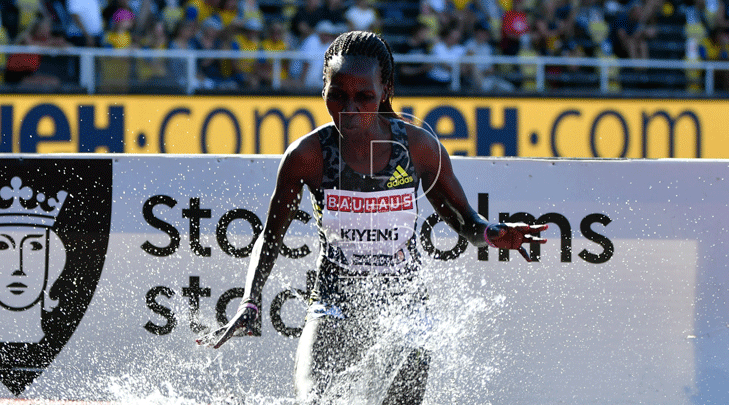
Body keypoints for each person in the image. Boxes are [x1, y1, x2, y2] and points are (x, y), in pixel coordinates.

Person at [197, 30, 547, 404]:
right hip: (333, 302)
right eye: (337, 96)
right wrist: (251, 300)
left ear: (385, 91)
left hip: (404, 307)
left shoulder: (418, 148)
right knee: (313, 399)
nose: (349, 109)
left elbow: (469, 225)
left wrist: (495, 234)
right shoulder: (307, 155)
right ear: (323, 92)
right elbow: (271, 236)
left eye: (363, 96)